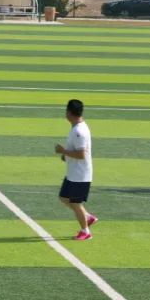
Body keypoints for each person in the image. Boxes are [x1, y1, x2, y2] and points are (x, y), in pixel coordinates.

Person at [54, 99, 97, 241]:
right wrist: (66, 156)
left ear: (69, 112)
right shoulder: (77, 128)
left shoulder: (79, 131)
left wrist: (63, 151)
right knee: (64, 198)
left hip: (80, 175)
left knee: (75, 203)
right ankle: (87, 217)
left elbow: (81, 154)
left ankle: (86, 232)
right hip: (73, 173)